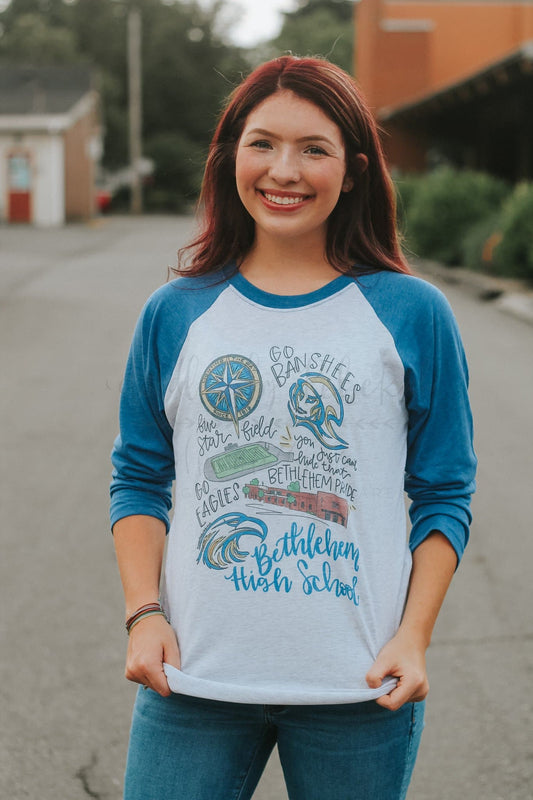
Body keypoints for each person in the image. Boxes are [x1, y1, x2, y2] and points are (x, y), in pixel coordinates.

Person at [110, 56, 476, 800]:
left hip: (358, 690)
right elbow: (139, 479)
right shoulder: (175, 312)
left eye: (314, 149)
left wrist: (412, 637)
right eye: (262, 143)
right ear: (229, 158)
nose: (285, 170)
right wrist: (143, 614)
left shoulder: (410, 312)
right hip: (195, 684)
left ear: (354, 171)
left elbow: (443, 492)